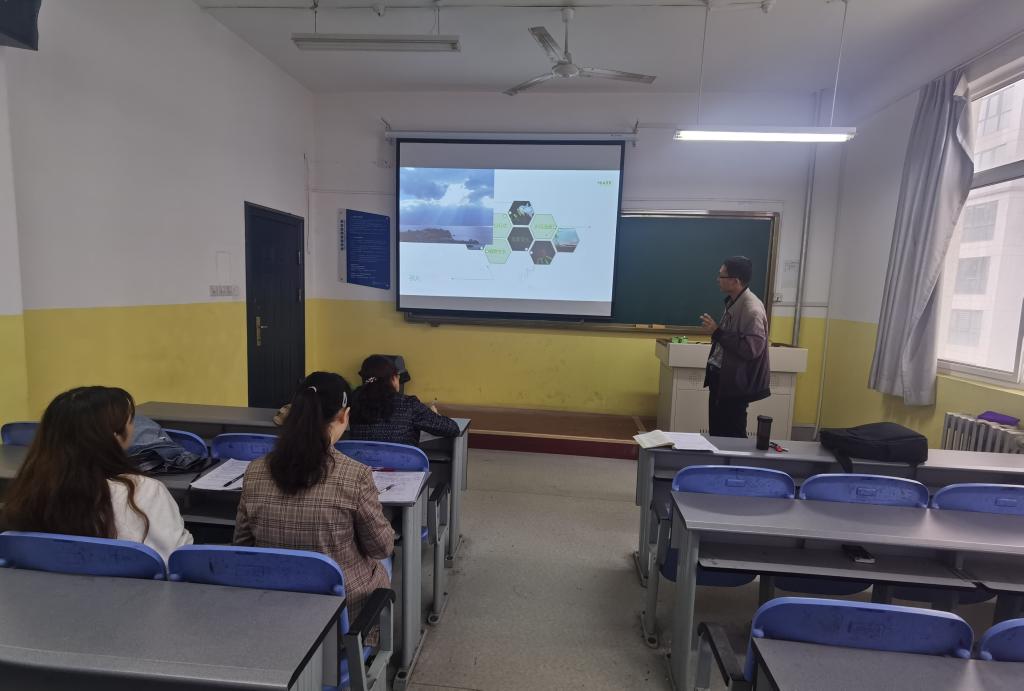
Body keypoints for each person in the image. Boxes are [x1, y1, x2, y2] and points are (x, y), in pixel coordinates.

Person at [233, 371, 394, 643]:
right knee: (385, 561)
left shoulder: (255, 470)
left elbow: (242, 544)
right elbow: (381, 547)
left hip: (272, 605)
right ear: (344, 416)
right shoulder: (356, 475)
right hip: (340, 615)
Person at [2, 386, 193, 562]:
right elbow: (175, 559)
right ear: (115, 437)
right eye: (130, 422)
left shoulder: (29, 488)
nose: (134, 428)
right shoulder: (143, 490)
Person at [699, 256, 770, 438]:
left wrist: (717, 332)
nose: (717, 279)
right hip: (721, 379)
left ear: (735, 281)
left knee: (732, 436)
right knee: (718, 433)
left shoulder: (752, 309)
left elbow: (751, 349)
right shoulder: (734, 301)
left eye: (721, 276)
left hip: (735, 385)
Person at [349, 354, 460, 446]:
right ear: (393, 378)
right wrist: (435, 416)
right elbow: (452, 429)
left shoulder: (353, 402)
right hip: (402, 465)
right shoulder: (408, 404)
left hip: (361, 465)